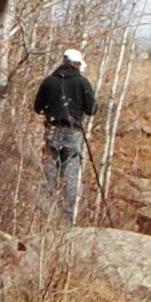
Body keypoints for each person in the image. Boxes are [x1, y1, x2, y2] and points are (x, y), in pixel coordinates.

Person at [32, 48, 97, 217]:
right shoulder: (83, 83)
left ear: (63, 61)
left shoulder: (48, 81)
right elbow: (92, 109)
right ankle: (67, 218)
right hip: (73, 132)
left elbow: (37, 108)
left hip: (52, 130)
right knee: (70, 175)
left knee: (50, 173)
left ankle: (47, 215)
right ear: (76, 65)